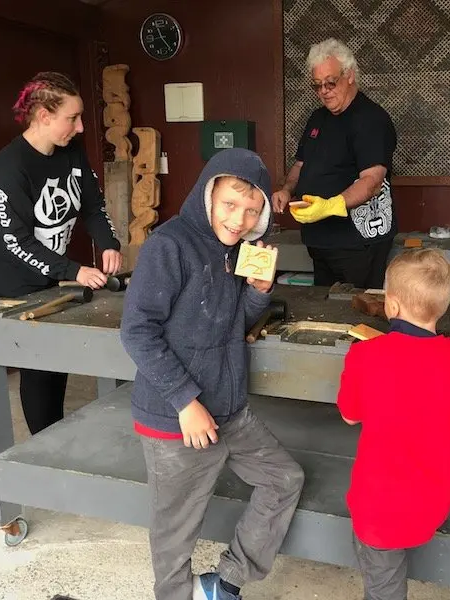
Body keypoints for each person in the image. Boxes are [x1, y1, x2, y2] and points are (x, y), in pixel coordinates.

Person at [120, 148, 305, 600]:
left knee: (285, 479)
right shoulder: (170, 245)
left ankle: (226, 582)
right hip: (175, 418)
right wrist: (185, 401)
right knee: (174, 536)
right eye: (230, 205)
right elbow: (137, 331)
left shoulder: (238, 252)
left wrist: (259, 293)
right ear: (208, 194)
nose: (239, 219)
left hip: (229, 410)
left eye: (252, 211)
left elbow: (231, 324)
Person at [336, 249, 450, 600]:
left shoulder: (366, 355)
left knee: (384, 588)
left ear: (391, 305)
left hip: (377, 510)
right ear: (443, 305)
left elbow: (350, 415)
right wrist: (442, 467)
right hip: (434, 503)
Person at [0, 71, 123, 435]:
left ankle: (55, 434)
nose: (79, 128)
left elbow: (92, 205)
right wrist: (74, 270)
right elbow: (17, 241)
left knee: (57, 358)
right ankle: (45, 441)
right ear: (43, 115)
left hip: (52, 273)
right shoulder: (10, 166)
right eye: (71, 118)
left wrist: (108, 242)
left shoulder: (71, 151)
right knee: (38, 364)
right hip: (10, 280)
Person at [272, 38, 397, 289]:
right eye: (317, 86)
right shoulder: (318, 118)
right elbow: (300, 165)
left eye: (330, 83)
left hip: (357, 242)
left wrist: (330, 206)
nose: (324, 91)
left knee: (357, 312)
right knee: (324, 311)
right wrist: (287, 189)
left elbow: (372, 182)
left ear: (349, 75)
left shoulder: (371, 119)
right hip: (319, 240)